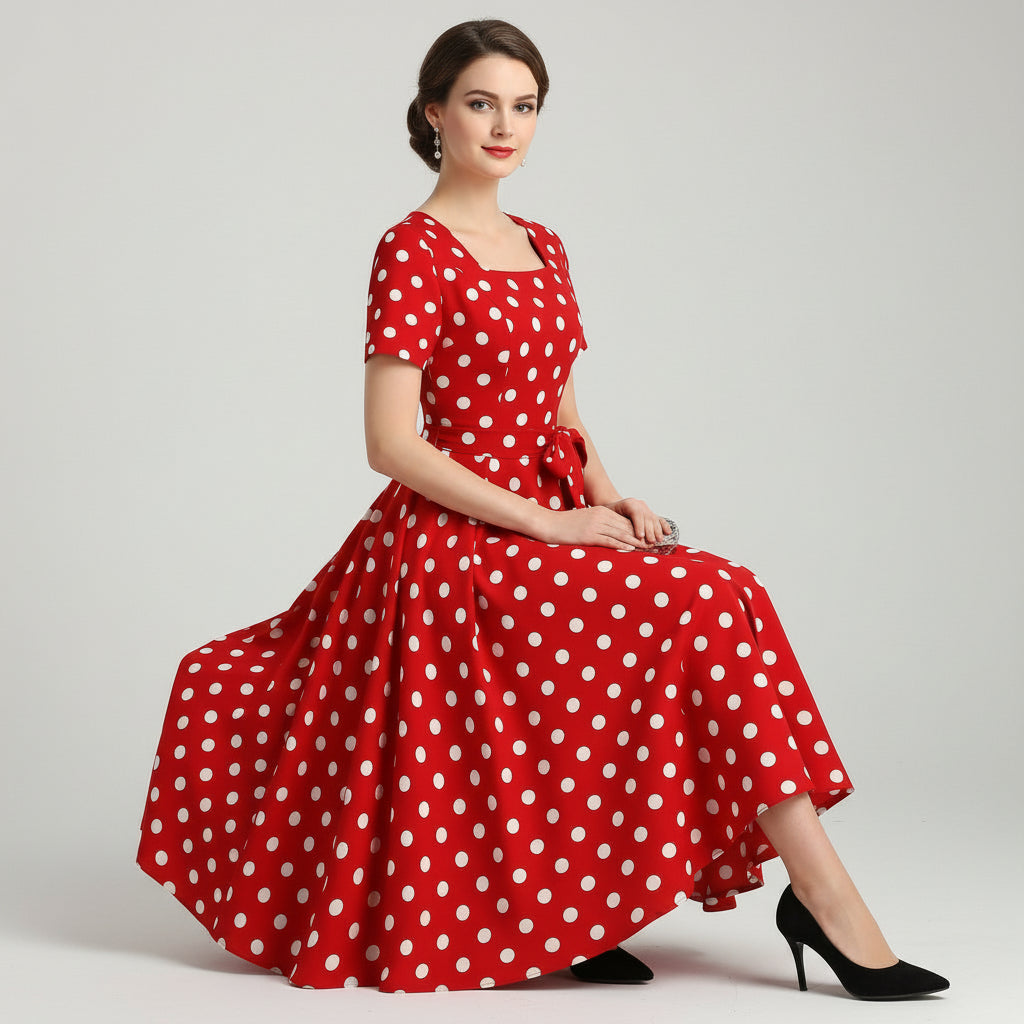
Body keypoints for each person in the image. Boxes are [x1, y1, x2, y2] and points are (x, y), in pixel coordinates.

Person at [136, 18, 949, 999]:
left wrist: (611, 497)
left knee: (723, 590)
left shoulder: (545, 244)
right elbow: (390, 445)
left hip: (555, 511)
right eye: (481, 102)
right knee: (696, 606)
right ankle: (823, 898)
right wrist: (550, 523)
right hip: (451, 542)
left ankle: (605, 910)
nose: (504, 124)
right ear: (434, 112)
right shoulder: (412, 249)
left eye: (524, 106)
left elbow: (560, 407)